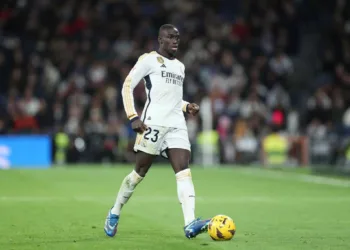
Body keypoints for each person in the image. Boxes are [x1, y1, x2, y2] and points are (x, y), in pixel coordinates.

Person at [104, 24, 210, 239]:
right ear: (160, 40)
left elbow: (171, 98)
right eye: (170, 37)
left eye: (177, 37)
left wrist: (186, 106)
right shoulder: (148, 60)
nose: (175, 41)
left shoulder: (180, 66)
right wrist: (133, 116)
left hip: (177, 125)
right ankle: (114, 211)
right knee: (139, 173)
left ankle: (190, 222)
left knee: (183, 170)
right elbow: (127, 85)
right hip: (153, 124)